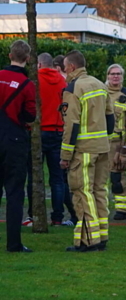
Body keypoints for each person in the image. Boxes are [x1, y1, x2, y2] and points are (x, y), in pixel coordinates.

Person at [60, 50, 113, 252]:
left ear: (72, 67)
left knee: (83, 193)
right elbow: (110, 119)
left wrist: (65, 156)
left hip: (84, 150)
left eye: (65, 68)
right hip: (102, 147)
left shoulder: (73, 88)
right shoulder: (100, 85)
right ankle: (102, 235)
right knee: (100, 191)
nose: (65, 72)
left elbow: (71, 125)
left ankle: (89, 240)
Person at [0, 40, 36, 253]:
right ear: (28, 58)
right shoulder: (27, 84)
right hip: (14, 140)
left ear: (9, 55)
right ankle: (13, 243)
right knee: (14, 192)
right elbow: (30, 115)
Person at [38, 52, 76, 227]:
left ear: (39, 64)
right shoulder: (62, 81)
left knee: (35, 176)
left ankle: (34, 215)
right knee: (58, 179)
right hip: (58, 131)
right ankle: (57, 217)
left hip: (40, 131)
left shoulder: (35, 80)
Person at [105, 64, 126, 220]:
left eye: (118, 74)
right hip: (100, 142)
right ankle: (100, 208)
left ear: (122, 77)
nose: (115, 76)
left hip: (117, 145)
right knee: (98, 178)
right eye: (112, 74)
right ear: (107, 76)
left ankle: (122, 210)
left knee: (118, 178)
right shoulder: (100, 93)